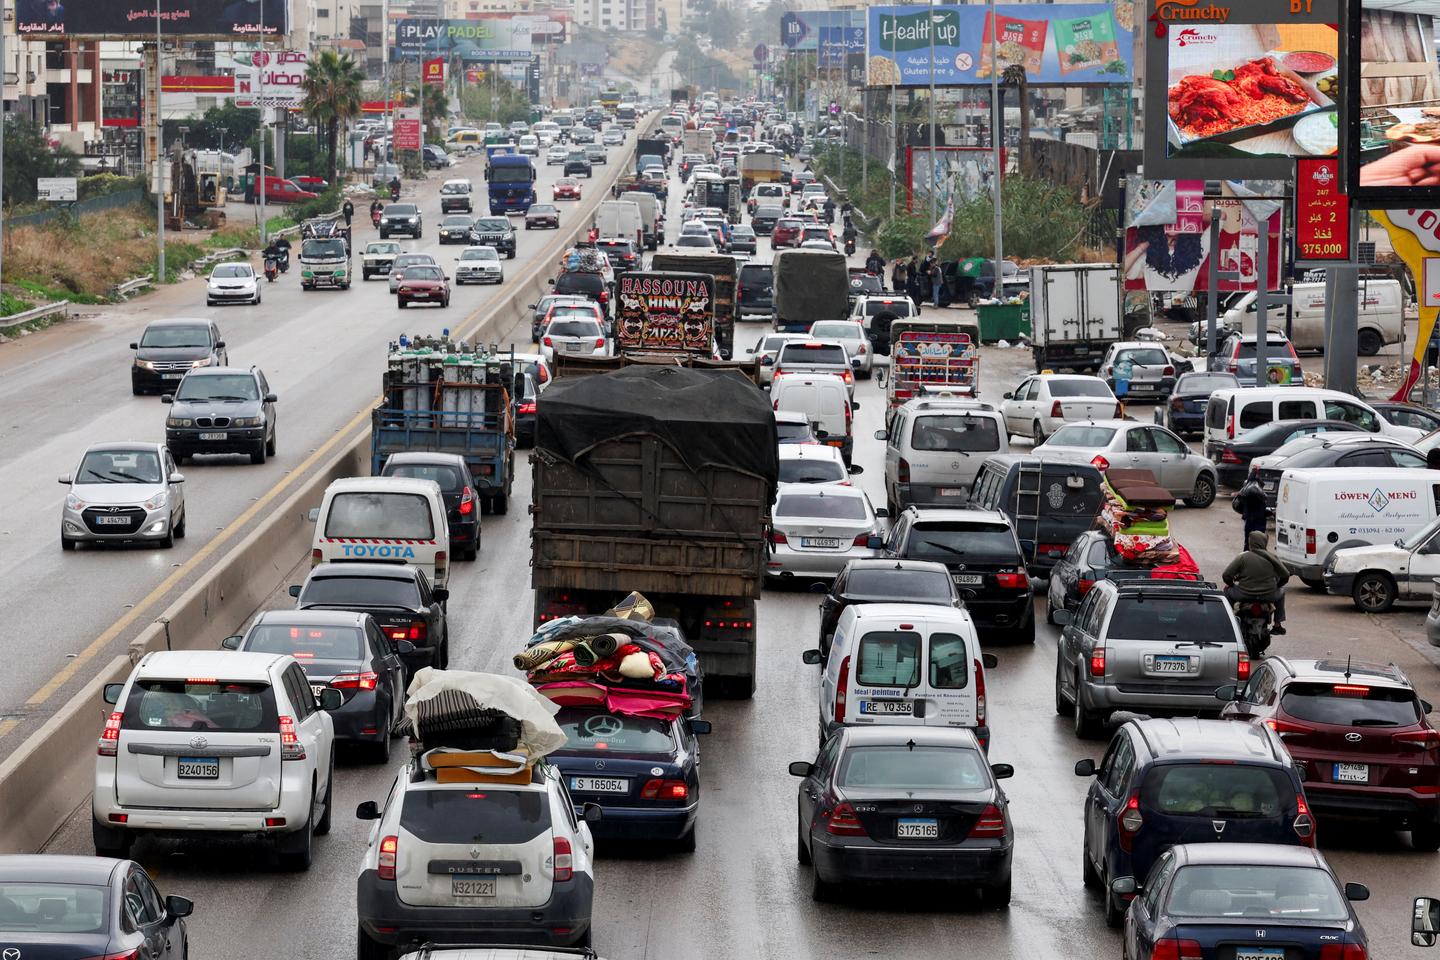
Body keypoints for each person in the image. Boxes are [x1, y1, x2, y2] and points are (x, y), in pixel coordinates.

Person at [1222, 530, 1289, 634]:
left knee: (1226, 591)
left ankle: (1228, 623)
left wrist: (1231, 585)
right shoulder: (1272, 557)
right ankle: (1277, 624)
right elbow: (1285, 575)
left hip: (1243, 594)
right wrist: (1277, 586)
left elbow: (1226, 575)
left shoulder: (1243, 557)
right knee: (1282, 591)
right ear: (1264, 542)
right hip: (1269, 595)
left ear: (1251, 543)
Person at [1231, 475, 1268, 550]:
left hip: (1250, 522)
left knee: (1248, 543)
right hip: (1258, 523)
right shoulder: (1258, 495)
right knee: (1257, 544)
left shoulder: (1247, 495)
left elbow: (1239, 505)